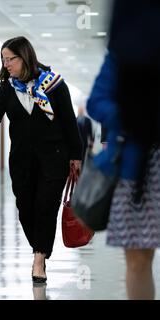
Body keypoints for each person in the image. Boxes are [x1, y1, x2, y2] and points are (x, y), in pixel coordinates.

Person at [0, 36, 82, 283]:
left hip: (54, 159)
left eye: (10, 59)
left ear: (24, 56)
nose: (6, 64)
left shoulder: (54, 85)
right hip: (22, 161)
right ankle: (40, 247)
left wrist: (76, 156)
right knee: (26, 210)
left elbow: (70, 123)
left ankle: (39, 259)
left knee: (46, 207)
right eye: (3, 60)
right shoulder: (7, 88)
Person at [87, 0, 160, 300]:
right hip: (136, 167)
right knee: (139, 258)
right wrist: (133, 117)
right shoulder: (124, 54)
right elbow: (97, 101)